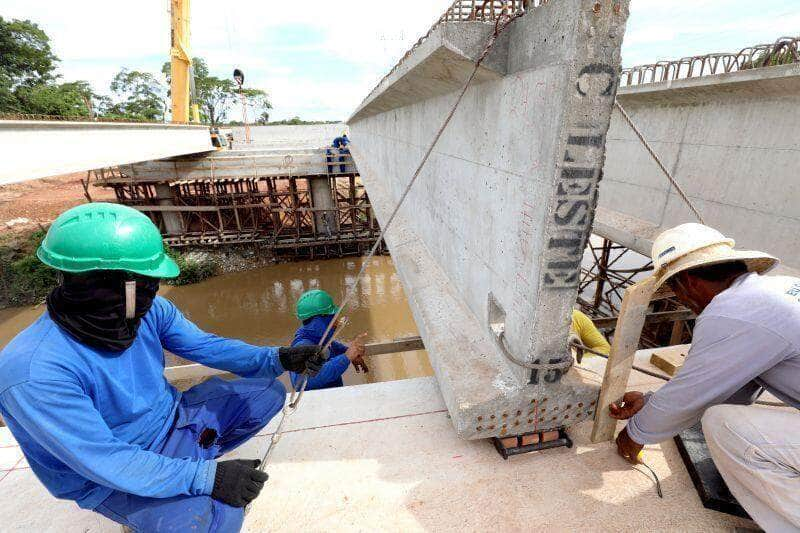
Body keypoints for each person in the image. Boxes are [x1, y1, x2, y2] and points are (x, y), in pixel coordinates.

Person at [0, 203, 326, 532]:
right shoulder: (33, 371)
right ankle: (173, 487)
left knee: (267, 392)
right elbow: (104, 459)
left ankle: (179, 473)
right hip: (107, 476)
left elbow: (206, 346)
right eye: (145, 282)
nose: (152, 291)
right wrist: (210, 477)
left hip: (171, 420)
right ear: (110, 284)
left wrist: (278, 358)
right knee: (210, 525)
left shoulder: (146, 309)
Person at [608, 223, 800, 531]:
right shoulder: (773, 292)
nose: (682, 302)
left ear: (687, 281)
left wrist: (634, 434)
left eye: (675, 290)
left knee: (725, 427)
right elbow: (729, 388)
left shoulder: (732, 310)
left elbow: (690, 396)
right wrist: (651, 401)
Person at [290, 289, 368, 391]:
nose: (336, 322)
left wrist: (347, 351)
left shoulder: (315, 334)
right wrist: (346, 357)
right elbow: (305, 381)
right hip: (319, 403)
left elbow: (329, 346)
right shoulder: (301, 346)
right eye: (332, 317)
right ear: (319, 320)